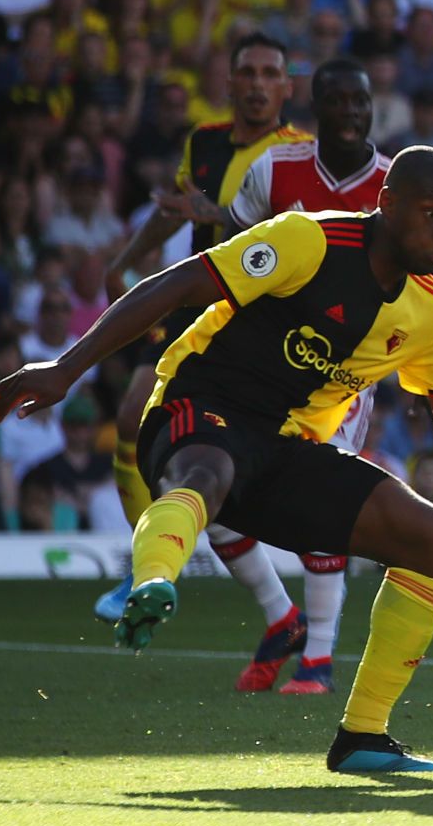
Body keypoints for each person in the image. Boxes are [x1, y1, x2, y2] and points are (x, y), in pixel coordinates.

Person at [0, 146, 433, 774]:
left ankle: (363, 736)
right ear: (386, 203)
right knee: (208, 473)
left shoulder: (426, 308)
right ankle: (150, 582)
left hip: (284, 452)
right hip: (196, 406)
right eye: (432, 215)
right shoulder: (308, 239)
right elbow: (181, 283)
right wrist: (67, 369)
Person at [135, 58, 393, 695]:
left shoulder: (394, 183)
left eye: (362, 102)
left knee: (321, 489)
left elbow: (423, 279)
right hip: (256, 364)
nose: (353, 113)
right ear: (318, 105)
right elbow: (239, 245)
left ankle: (322, 658)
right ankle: (282, 618)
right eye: (341, 101)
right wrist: (209, 213)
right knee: (211, 493)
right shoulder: (275, 169)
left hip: (341, 370)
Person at [98, 34, 310, 625]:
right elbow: (176, 207)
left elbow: (299, 235)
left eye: (272, 73)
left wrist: (216, 216)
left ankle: (287, 616)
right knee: (130, 421)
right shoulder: (205, 141)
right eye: (249, 72)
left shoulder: (299, 154)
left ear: (287, 88)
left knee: (215, 463)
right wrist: (122, 262)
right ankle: (145, 571)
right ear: (231, 83)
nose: (259, 83)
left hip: (254, 316)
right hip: (196, 302)